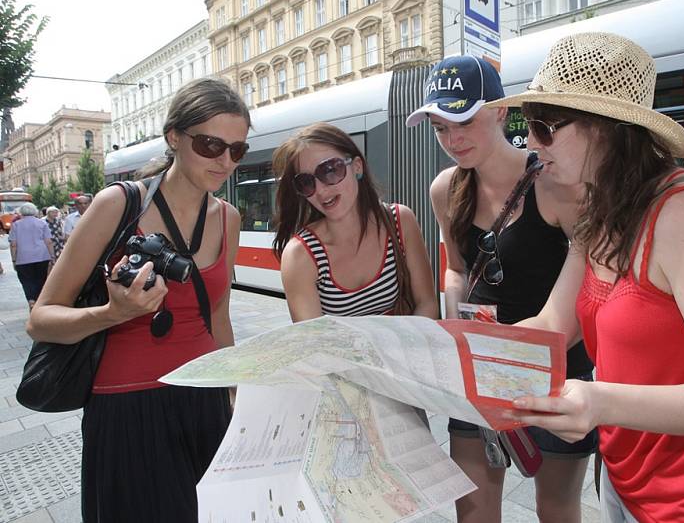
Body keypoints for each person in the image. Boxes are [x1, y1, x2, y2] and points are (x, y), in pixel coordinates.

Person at [487, 32, 684, 521]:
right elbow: (553, 325)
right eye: (529, 125)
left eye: (545, 126)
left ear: (607, 130)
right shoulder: (602, 211)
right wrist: (463, 353)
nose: (529, 141)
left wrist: (599, 400)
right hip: (633, 479)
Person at [27, 78, 250, 523]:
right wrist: (113, 313)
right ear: (174, 137)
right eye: (210, 145)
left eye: (237, 150)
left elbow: (218, 316)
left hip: (204, 398)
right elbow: (41, 320)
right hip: (128, 405)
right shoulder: (118, 204)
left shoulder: (228, 218)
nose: (225, 161)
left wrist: (235, 394)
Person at [406, 55, 594, 523]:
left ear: (499, 111)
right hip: (476, 372)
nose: (453, 139)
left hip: (556, 370)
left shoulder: (554, 183)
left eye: (463, 119)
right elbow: (456, 267)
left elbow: (585, 281)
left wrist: (513, 353)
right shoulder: (444, 189)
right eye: (440, 127)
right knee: (471, 508)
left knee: (556, 508)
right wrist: (457, 322)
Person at [274, 122, 438, 323]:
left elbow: (427, 303)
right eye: (306, 182)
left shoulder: (400, 221)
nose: (321, 190)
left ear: (357, 167)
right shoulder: (301, 255)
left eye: (330, 170)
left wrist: (404, 349)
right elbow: (314, 341)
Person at [9, 202, 54, 309]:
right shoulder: (42, 223)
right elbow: (48, 241)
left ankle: (31, 300)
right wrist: (52, 256)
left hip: (23, 258)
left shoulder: (16, 225)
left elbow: (13, 244)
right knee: (41, 278)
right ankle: (38, 300)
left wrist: (14, 260)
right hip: (41, 256)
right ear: (34, 211)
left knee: (27, 281)